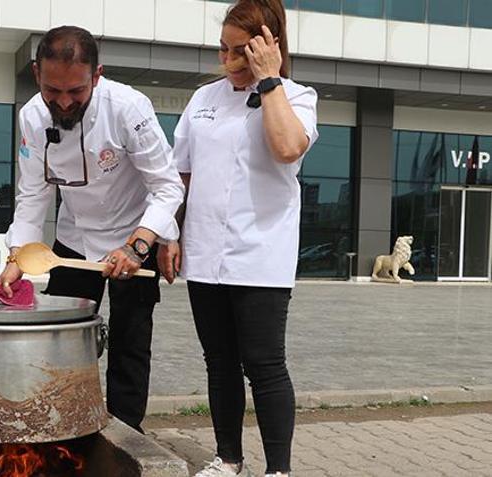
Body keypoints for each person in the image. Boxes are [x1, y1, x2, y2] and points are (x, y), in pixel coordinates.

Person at [0, 26, 185, 433]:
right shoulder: (30, 115)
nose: (64, 103)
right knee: (62, 340)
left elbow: (168, 186)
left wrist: (140, 245)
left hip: (133, 235)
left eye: (76, 92)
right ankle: (64, 429)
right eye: (53, 91)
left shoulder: (128, 109)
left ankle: (126, 435)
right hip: (74, 238)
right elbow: (32, 194)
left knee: (129, 344)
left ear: (96, 76)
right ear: (36, 74)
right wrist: (17, 257)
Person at [159, 1, 319, 476]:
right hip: (205, 253)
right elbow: (179, 176)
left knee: (265, 364)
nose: (228, 62)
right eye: (223, 50)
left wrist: (269, 81)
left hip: (261, 255)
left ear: (268, 48)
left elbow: (288, 148)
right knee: (219, 362)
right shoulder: (203, 99)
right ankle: (228, 458)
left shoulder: (296, 96)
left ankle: (278, 470)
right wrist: (171, 233)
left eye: (240, 53)